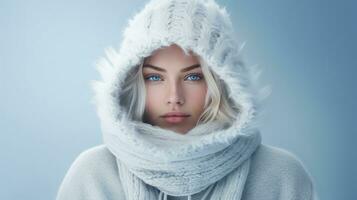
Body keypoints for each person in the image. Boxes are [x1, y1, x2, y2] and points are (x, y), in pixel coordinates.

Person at [56, 0, 319, 199]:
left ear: (222, 82)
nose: (174, 97)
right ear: (131, 83)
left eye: (193, 77)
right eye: (155, 78)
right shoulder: (93, 174)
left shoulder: (280, 174)